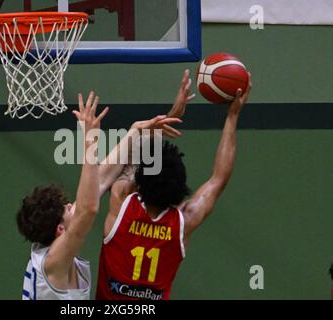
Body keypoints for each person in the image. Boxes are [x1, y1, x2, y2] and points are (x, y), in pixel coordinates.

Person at [96, 71, 253, 300]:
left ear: (140, 184)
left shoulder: (121, 202)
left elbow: (122, 163)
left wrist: (171, 115)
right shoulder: (183, 222)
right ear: (181, 188)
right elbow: (219, 178)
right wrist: (233, 115)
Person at [17, 92, 182, 300]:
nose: (71, 205)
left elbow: (102, 179)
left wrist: (135, 131)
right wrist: (89, 141)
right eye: (67, 209)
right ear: (60, 229)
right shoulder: (53, 262)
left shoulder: (56, 242)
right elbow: (88, 209)